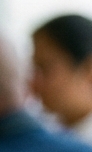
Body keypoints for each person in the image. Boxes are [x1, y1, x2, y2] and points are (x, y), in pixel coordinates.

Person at [30, 13, 92, 144]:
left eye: (45, 69)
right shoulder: (41, 133)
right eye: (34, 70)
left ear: (88, 70)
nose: (33, 83)